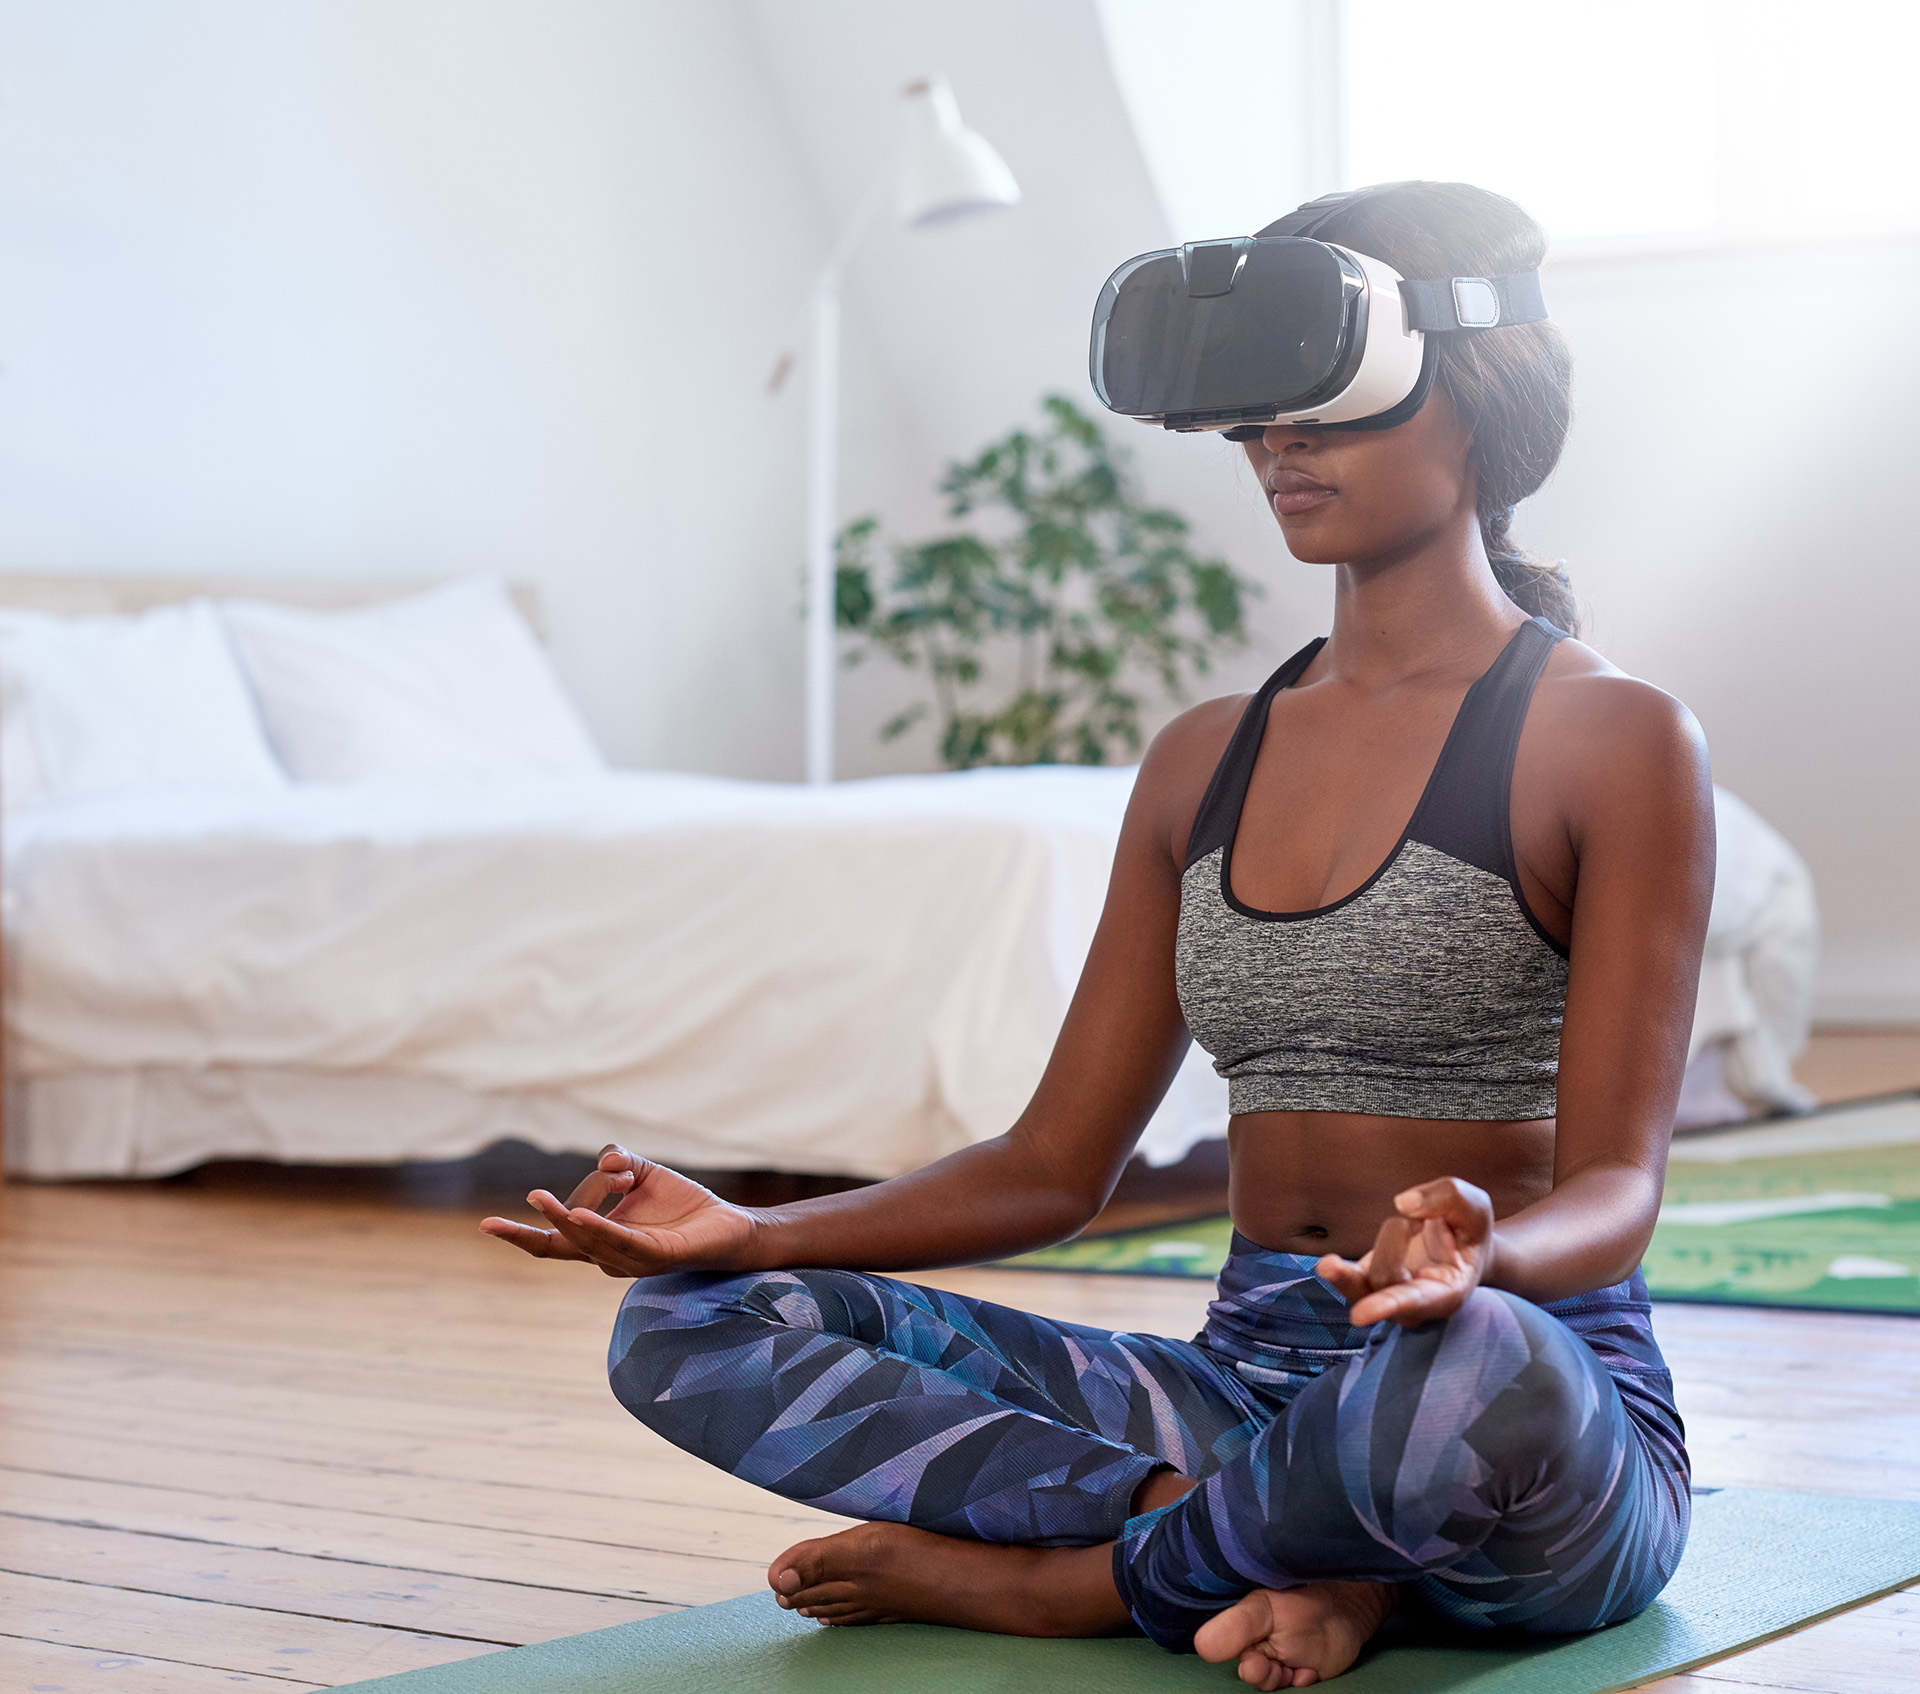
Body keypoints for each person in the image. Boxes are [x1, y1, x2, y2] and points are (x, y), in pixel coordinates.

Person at [482, 180, 1712, 1690]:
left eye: (1331, 404)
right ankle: (1264, 1550)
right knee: (690, 1328)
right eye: (1265, 410)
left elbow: (1619, 1190)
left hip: (1521, 1412)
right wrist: (756, 1230)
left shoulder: (1614, 738)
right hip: (1245, 1392)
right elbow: (1052, 1166)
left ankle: (1074, 1583)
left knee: (1486, 1371)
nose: (1283, 441)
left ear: (1480, 400)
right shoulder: (1203, 757)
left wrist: (1487, 1253)